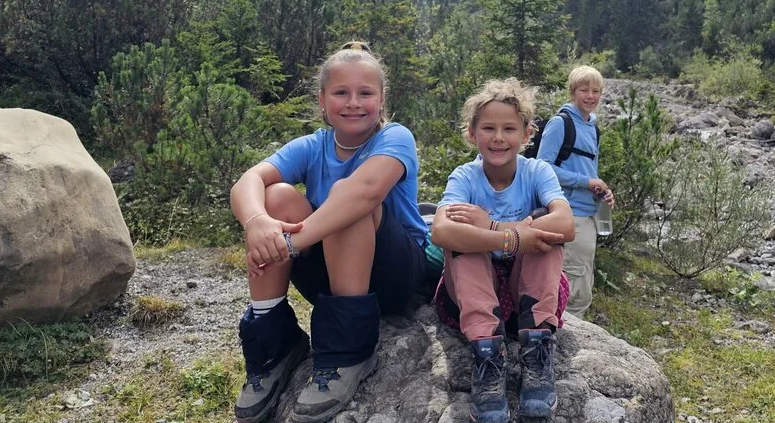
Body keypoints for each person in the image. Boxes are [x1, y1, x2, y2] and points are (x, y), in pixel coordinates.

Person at [229, 41, 428, 423]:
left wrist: (285, 245)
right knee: (276, 196)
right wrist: (256, 224)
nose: (353, 103)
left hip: (396, 275)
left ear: (382, 100)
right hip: (332, 273)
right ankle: (274, 345)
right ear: (322, 100)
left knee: (347, 200)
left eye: (365, 93)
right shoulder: (312, 146)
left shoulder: (396, 137)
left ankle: (347, 353)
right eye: (341, 93)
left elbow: (367, 192)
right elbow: (247, 181)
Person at [431, 78, 576, 423]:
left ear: (526, 135)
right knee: (462, 238)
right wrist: (509, 238)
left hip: (527, 300)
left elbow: (566, 225)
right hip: (473, 300)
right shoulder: (465, 177)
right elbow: (440, 231)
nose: (498, 137)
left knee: (546, 229)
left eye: (509, 129)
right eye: (488, 128)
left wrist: (494, 227)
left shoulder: (536, 171)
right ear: (472, 134)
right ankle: (487, 356)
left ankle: (537, 350)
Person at [537, 65, 613, 319]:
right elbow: (542, 167)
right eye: (584, 90)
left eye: (596, 91)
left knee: (583, 278)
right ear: (572, 92)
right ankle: (564, 331)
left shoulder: (593, 127)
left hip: (589, 212)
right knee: (573, 282)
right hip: (569, 213)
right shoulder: (561, 123)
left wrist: (601, 191)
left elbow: (589, 170)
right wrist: (585, 182)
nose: (590, 96)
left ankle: (569, 328)